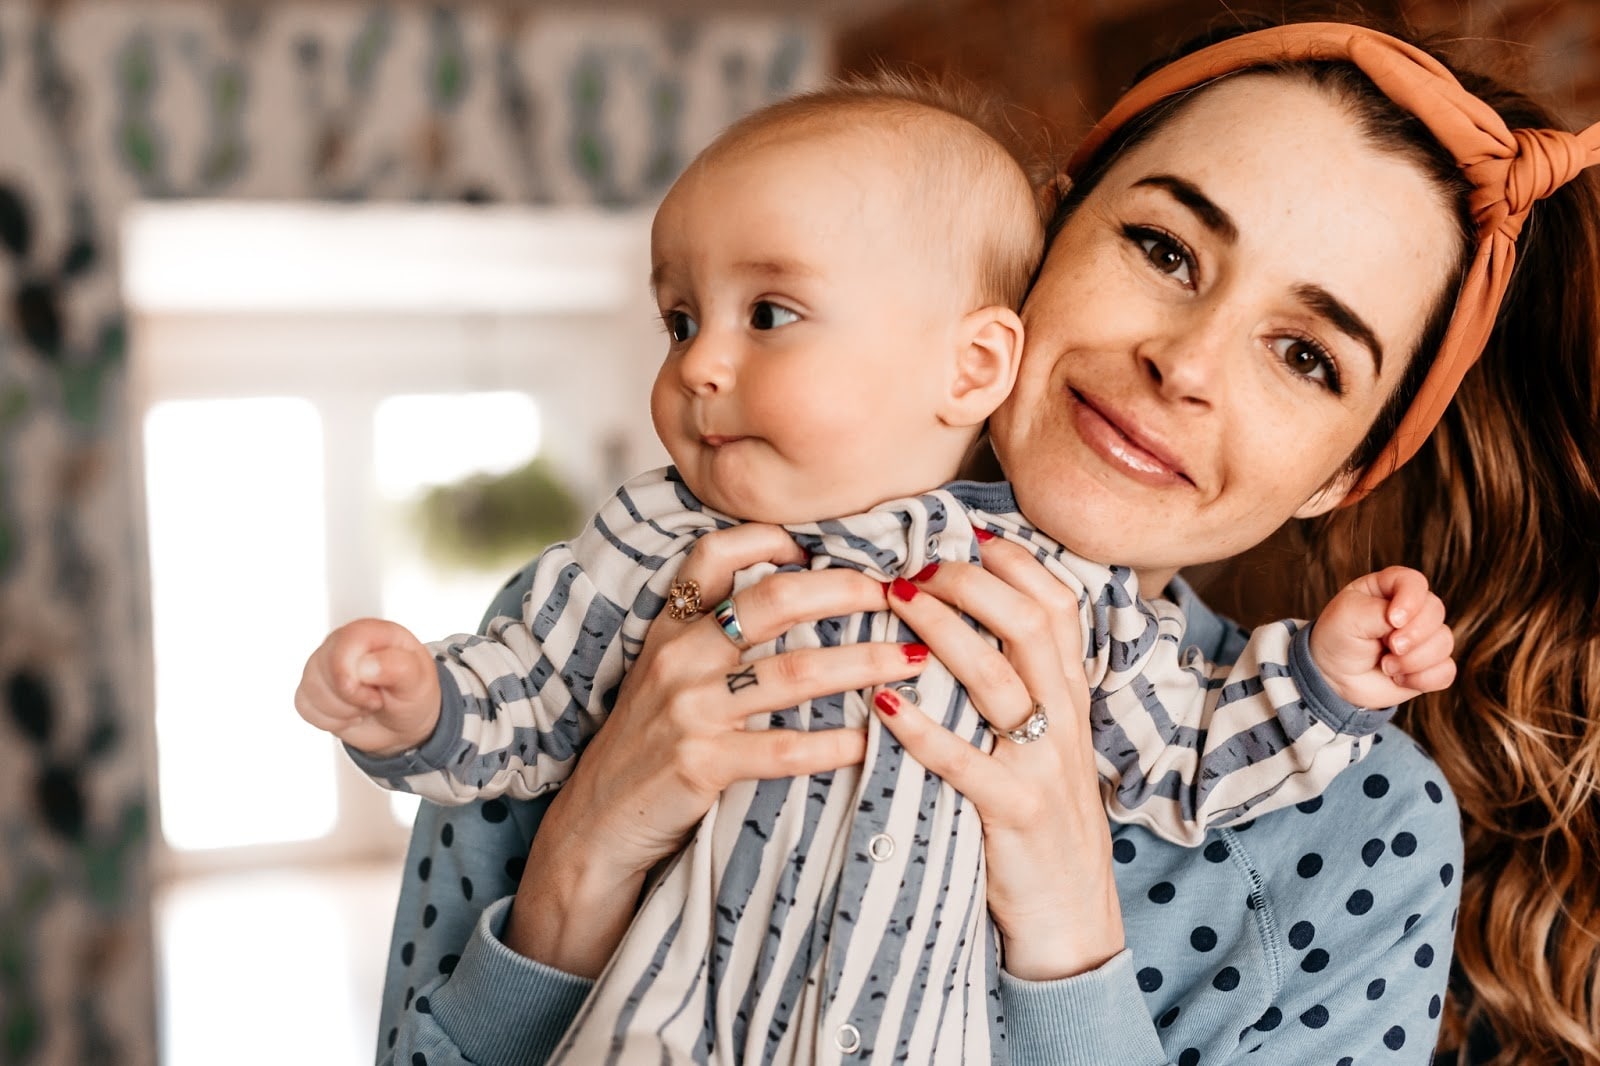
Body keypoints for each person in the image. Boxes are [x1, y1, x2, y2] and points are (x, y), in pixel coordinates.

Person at [369, 17, 1600, 1066]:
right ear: (1040, 246)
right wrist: (581, 863)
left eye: (1305, 356)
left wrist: (1069, 933)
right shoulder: (618, 604)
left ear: (1344, 470)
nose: (1181, 362)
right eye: (1163, 249)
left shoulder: (1353, 820)